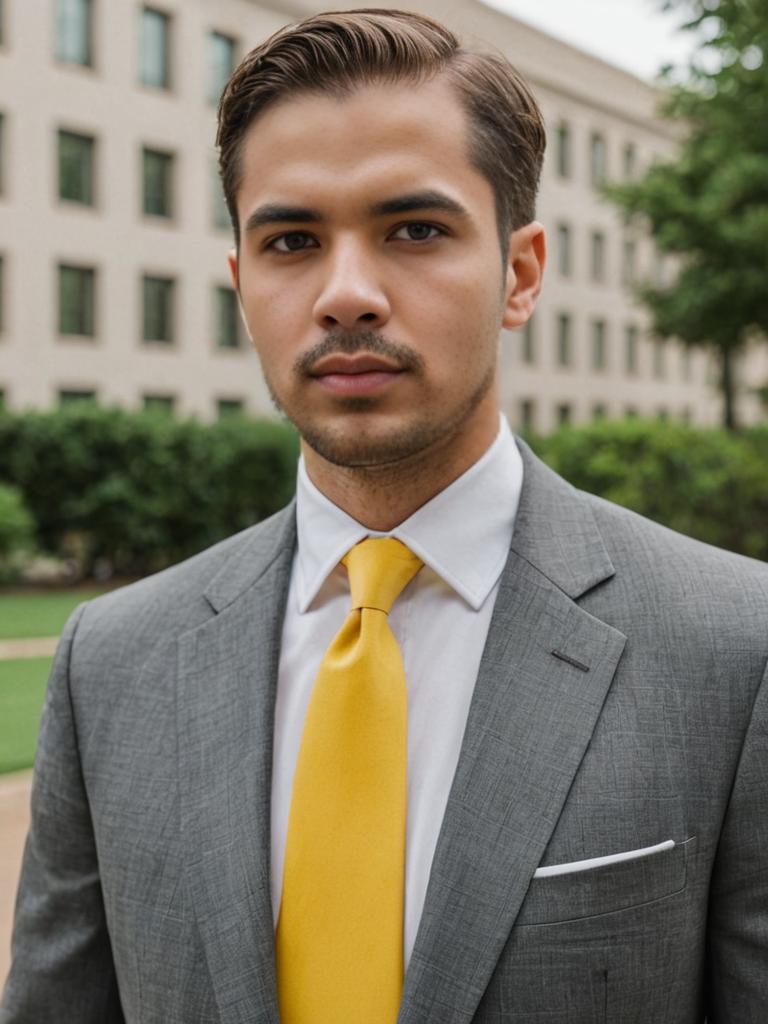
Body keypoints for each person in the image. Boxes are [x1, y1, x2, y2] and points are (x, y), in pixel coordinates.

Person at [2, 8, 767, 1023]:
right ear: (241, 285)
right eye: (291, 240)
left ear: (521, 272)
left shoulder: (735, 648)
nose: (347, 294)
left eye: (414, 229)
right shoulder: (113, 663)